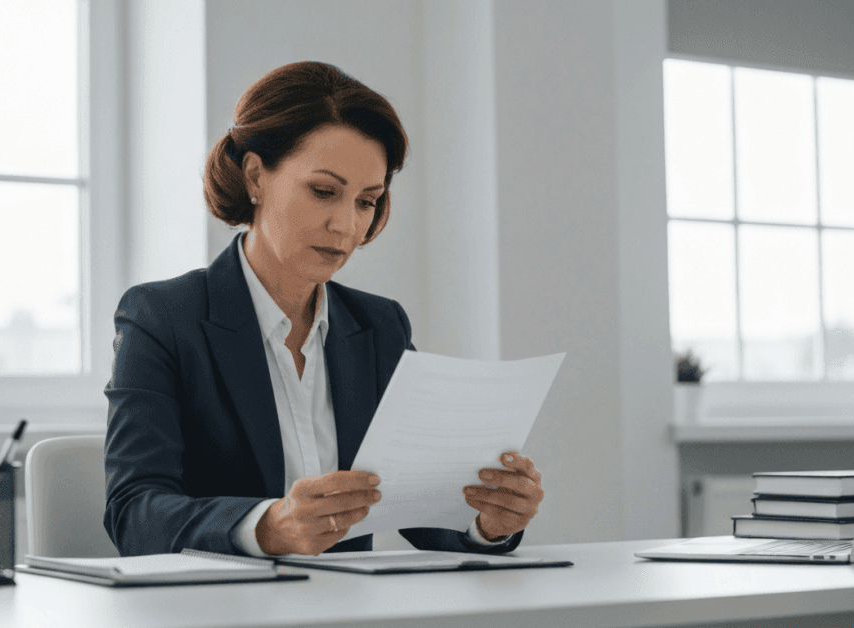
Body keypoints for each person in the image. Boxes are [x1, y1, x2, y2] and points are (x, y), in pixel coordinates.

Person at [104, 61, 544, 557]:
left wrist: (485, 522)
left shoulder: (380, 327)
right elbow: (134, 512)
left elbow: (421, 514)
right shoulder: (162, 318)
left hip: (346, 609)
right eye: (324, 192)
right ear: (255, 175)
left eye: (366, 202)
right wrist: (265, 527)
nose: (346, 227)